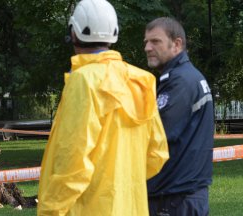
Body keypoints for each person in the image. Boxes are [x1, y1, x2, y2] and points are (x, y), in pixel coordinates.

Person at [37, 0, 169, 215]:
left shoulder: (83, 81)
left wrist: (50, 211)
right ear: (113, 33)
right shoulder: (140, 81)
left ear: (74, 33)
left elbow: (74, 161)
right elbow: (157, 153)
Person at [144, 17, 214, 216]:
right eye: (146, 42)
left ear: (177, 44)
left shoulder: (180, 81)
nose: (148, 47)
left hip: (174, 200)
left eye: (155, 41)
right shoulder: (187, 76)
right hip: (181, 197)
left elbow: (158, 136)